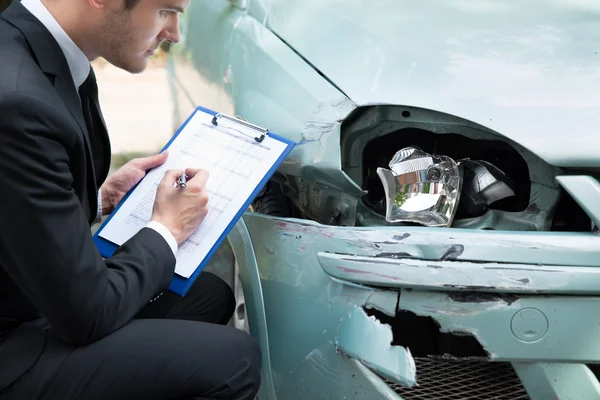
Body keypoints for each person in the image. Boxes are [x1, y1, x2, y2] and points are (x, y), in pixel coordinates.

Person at [0, 0, 261, 399]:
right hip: (12, 347)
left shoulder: (34, 52)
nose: (174, 33)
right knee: (234, 359)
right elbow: (87, 315)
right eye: (165, 11)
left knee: (206, 295)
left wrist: (101, 200)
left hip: (28, 301)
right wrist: (166, 228)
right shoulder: (18, 101)